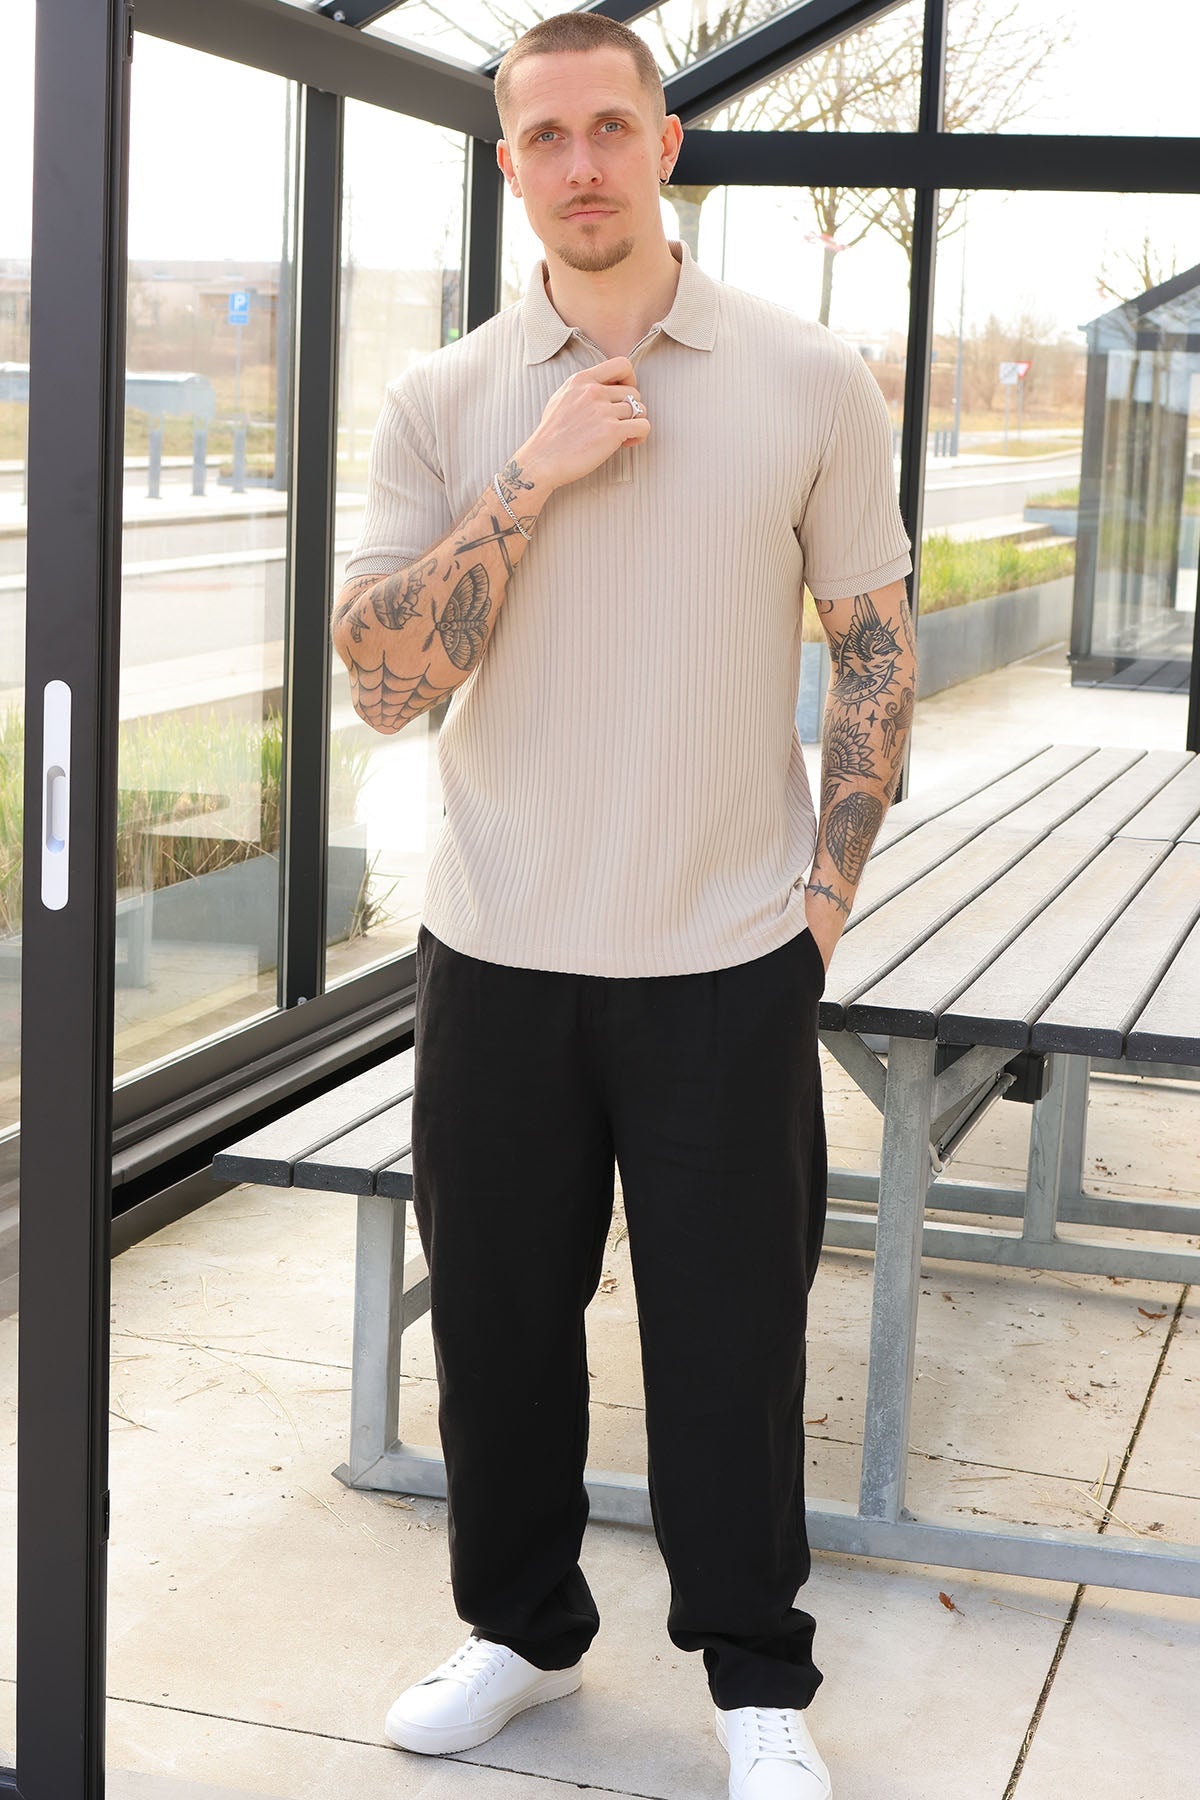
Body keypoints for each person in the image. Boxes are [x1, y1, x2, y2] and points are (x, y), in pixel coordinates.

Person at [331, 14, 915, 1797]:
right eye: (545, 136)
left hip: (726, 959)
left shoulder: (810, 376)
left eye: (610, 127)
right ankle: (522, 1633)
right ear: (509, 163)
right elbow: (382, 680)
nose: (580, 163)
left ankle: (754, 1679)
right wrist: (535, 473)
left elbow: (875, 651)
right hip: (499, 949)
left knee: (730, 1346)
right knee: (501, 1331)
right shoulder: (445, 399)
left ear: (666, 145)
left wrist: (822, 905)